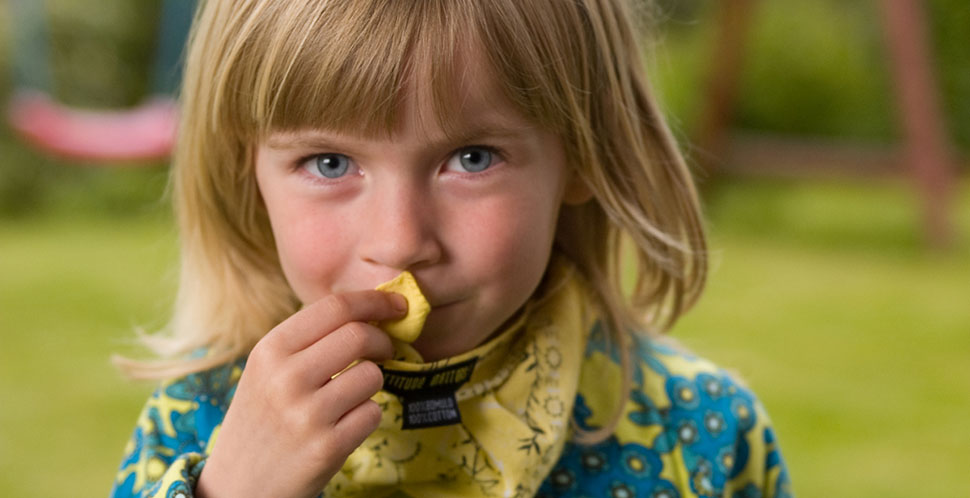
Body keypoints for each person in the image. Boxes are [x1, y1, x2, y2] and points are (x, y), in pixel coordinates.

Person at [110, 0, 792, 497]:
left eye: (471, 158)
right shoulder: (200, 428)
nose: (400, 242)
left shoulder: (699, 427)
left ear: (587, 153)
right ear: (246, 171)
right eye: (328, 163)